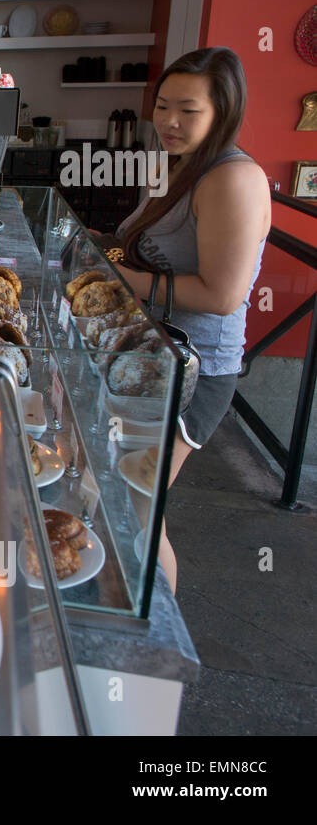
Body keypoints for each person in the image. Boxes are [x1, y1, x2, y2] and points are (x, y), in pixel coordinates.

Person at [112, 47, 270, 593]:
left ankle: (155, 656)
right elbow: (145, 250)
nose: (169, 122)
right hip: (149, 353)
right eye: (161, 106)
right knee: (118, 494)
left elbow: (223, 296)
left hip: (194, 370)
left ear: (223, 112)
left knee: (137, 510)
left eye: (188, 110)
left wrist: (122, 280)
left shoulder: (234, 180)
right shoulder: (176, 168)